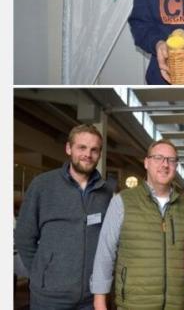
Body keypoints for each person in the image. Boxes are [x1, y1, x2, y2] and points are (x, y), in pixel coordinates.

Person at [15, 124, 113, 310]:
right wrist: (41, 273)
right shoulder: (42, 185)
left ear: (99, 154)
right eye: (81, 147)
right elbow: (24, 236)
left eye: (94, 150)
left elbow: (108, 241)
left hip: (92, 297)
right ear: (69, 148)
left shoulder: (106, 192)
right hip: (49, 297)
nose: (88, 154)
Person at [91, 139, 184, 310]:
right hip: (133, 304)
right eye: (158, 158)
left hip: (177, 305)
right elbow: (105, 253)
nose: (165, 164)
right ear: (146, 162)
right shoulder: (122, 201)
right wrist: (99, 303)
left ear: (176, 166)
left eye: (171, 160)